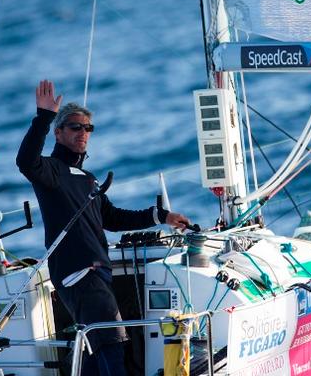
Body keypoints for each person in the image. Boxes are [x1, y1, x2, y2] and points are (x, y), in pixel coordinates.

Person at [16, 80, 190, 375]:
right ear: (59, 133)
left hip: (97, 273)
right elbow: (25, 161)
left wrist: (162, 216)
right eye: (75, 127)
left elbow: (111, 218)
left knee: (100, 348)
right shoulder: (52, 171)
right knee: (112, 344)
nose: (83, 133)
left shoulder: (86, 178)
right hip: (81, 273)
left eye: (88, 128)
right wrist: (43, 117)